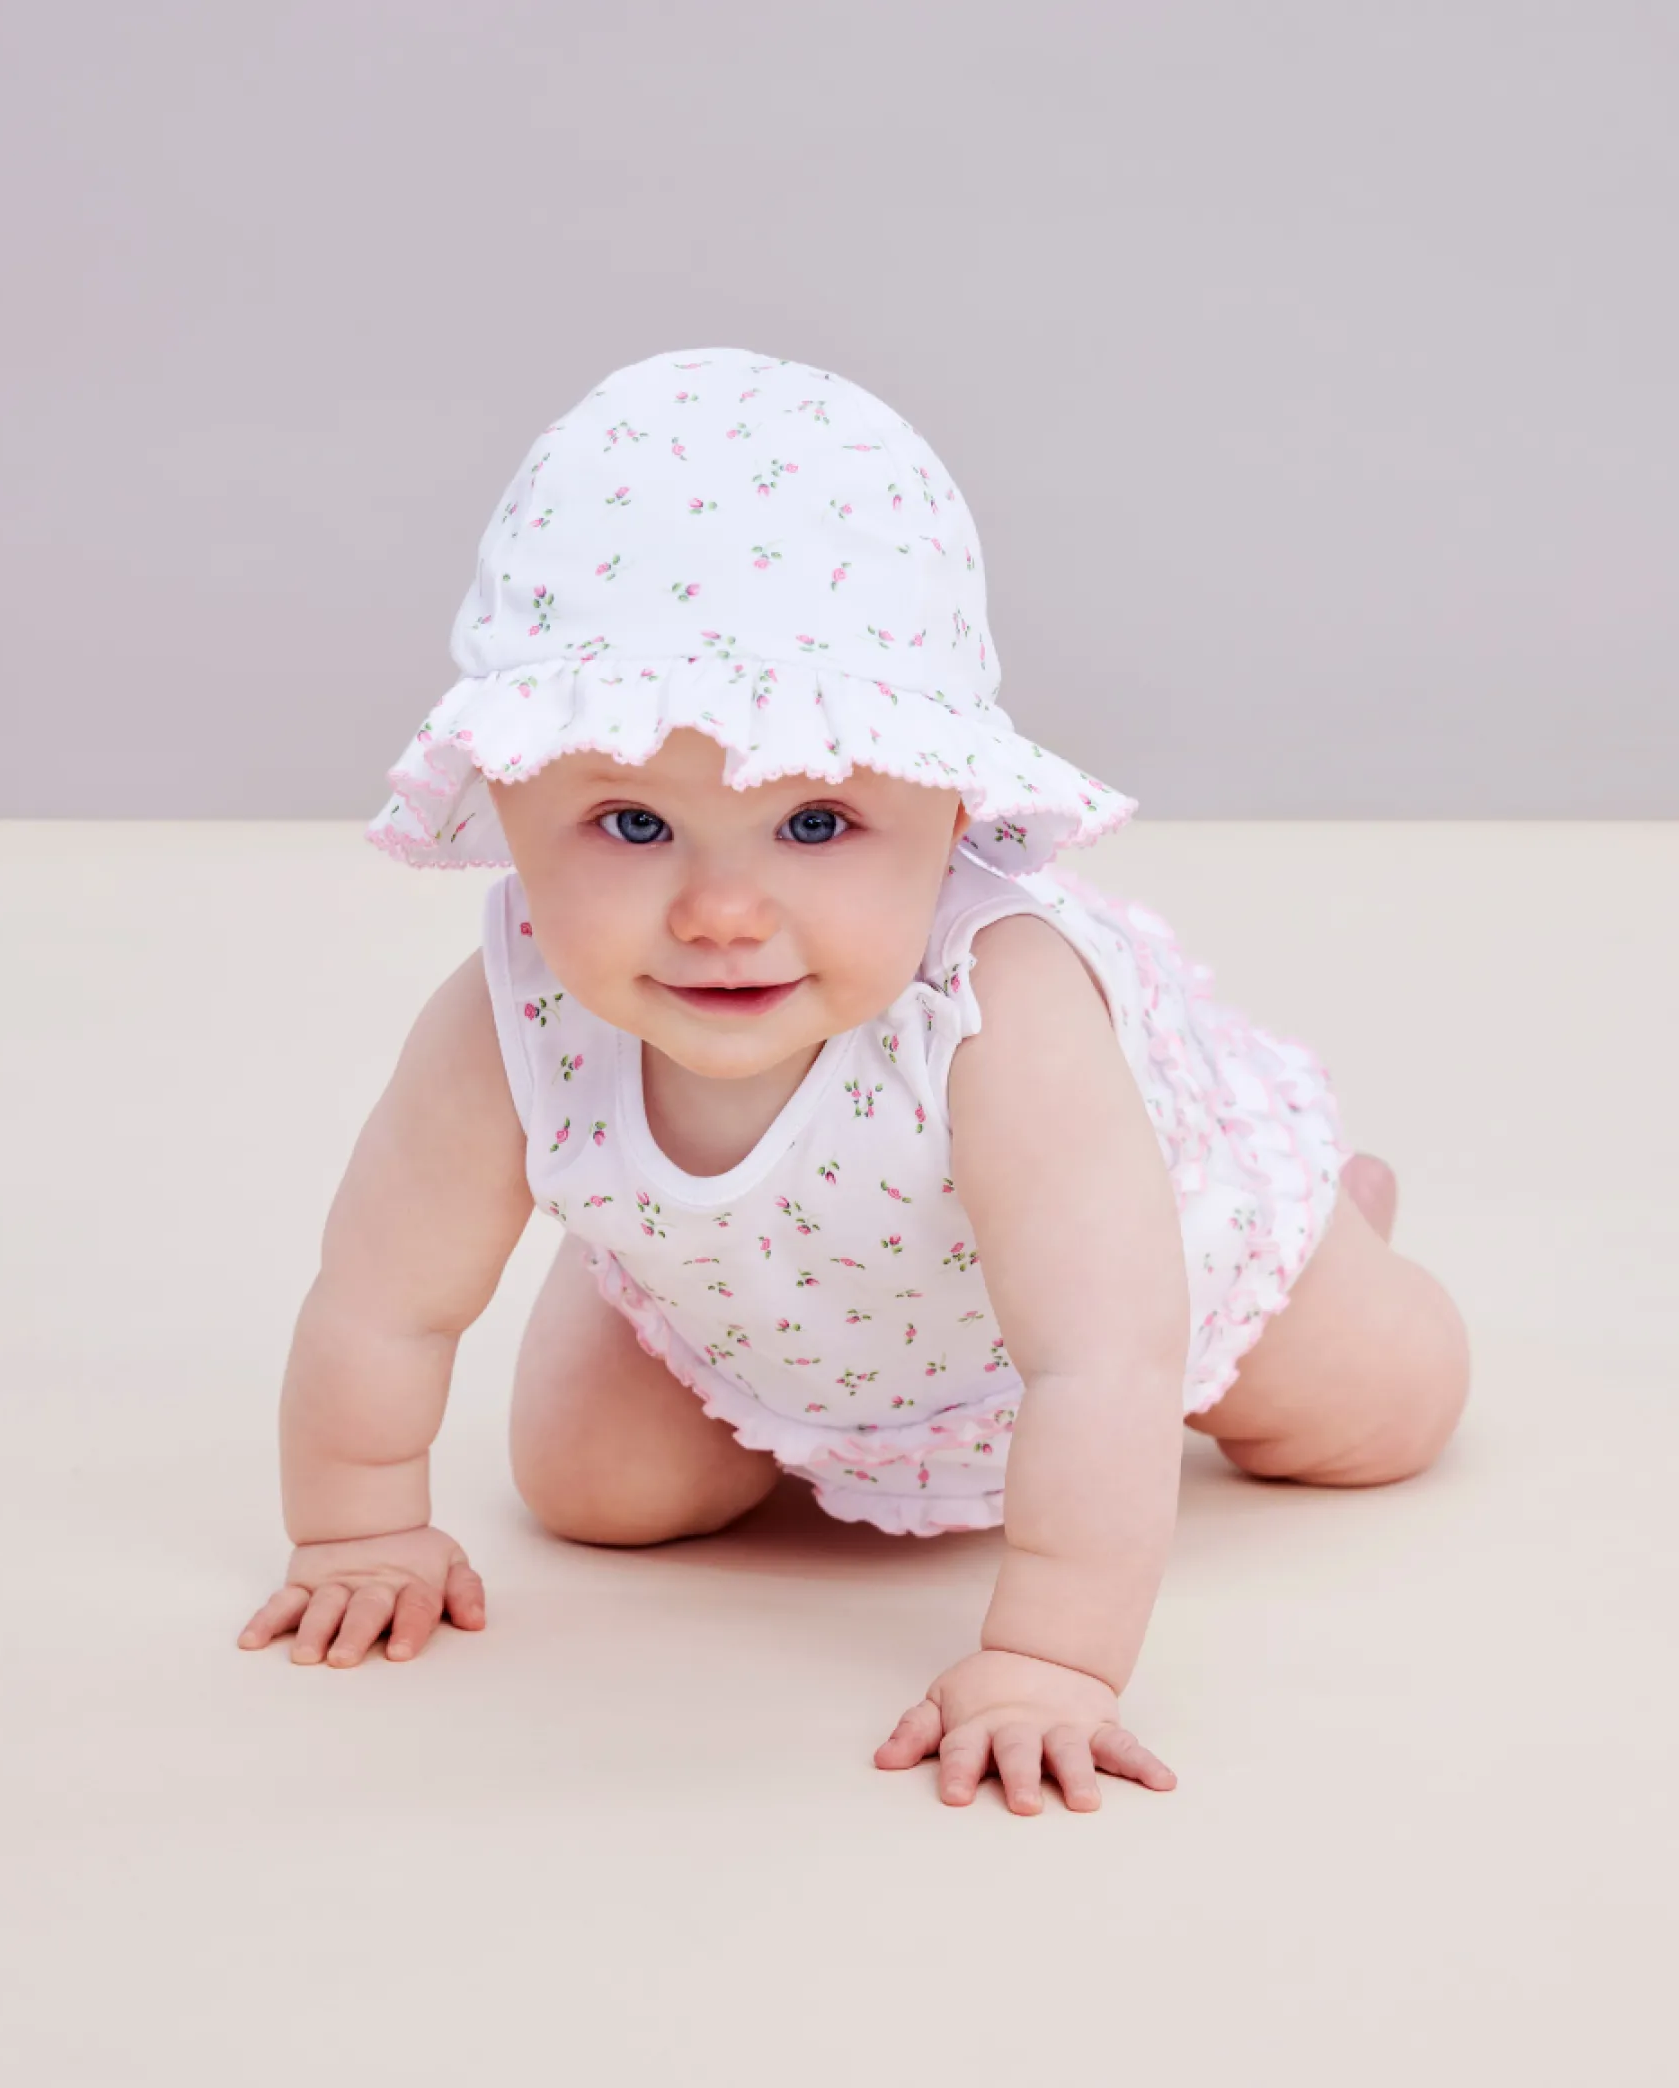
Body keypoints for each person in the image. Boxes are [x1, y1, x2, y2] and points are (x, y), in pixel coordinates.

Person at [237, 348, 1471, 1815]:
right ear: (509, 803)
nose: (720, 913)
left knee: (1388, 1414)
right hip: (790, 1322)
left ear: (949, 808)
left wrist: (1052, 1660)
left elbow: (1101, 1361)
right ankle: (660, 1254)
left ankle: (1335, 1215)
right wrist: (357, 1533)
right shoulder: (512, 1008)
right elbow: (382, 1294)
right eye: (630, 825)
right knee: (593, 1496)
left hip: (1139, 1292)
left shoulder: (993, 1010)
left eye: (817, 823)